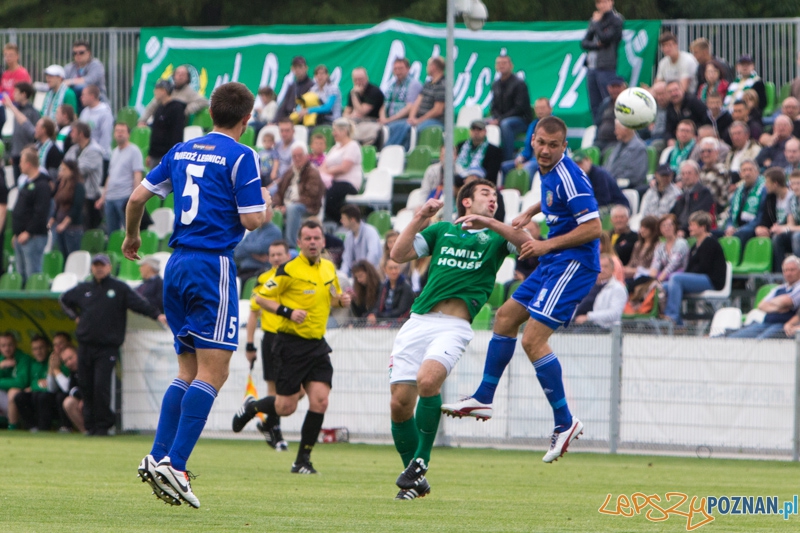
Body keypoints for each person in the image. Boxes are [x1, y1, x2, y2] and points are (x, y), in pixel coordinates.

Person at [124, 81, 268, 508]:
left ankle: (158, 455)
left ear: (210, 111)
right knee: (215, 372)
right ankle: (178, 465)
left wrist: (132, 237)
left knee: (186, 369)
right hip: (212, 265)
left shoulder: (181, 151)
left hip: (176, 265)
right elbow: (252, 219)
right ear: (248, 117)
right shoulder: (242, 155)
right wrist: (268, 208)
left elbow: (136, 198)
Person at [441, 117, 601, 467]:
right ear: (533, 140)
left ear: (564, 146)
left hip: (574, 264)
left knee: (532, 339)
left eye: (553, 145)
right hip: (555, 260)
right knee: (505, 317)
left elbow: (594, 227)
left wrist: (545, 246)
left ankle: (565, 422)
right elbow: (557, 202)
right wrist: (532, 209)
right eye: (540, 142)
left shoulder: (569, 176)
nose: (545, 150)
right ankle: (484, 397)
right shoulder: (548, 170)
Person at [386, 177, 531, 500]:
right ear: (466, 201)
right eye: (485, 194)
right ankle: (415, 478)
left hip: (454, 326)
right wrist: (421, 216)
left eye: (495, 196)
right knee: (399, 404)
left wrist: (492, 222)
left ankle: (422, 460)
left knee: (428, 382)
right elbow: (398, 253)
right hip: (419, 320)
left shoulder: (496, 235)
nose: (492, 198)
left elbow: (527, 245)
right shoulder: (441, 231)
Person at [232, 220, 351, 475]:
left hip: (317, 345)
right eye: (307, 238)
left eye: (316, 238)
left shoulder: (329, 268)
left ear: (322, 242)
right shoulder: (287, 269)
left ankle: (302, 461)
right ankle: (253, 407)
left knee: (320, 400)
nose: (312, 242)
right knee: (287, 407)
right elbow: (259, 297)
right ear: (299, 243)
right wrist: (287, 312)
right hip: (290, 344)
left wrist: (341, 301)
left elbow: (334, 301)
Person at [60, 253, 166, 436]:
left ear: (109, 267)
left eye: (102, 265)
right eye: (96, 265)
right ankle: (90, 426)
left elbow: (139, 304)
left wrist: (157, 315)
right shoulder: (84, 288)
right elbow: (64, 299)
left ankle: (103, 426)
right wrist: (74, 316)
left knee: (101, 386)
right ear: (91, 268)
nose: (99, 268)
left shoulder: (119, 288)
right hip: (85, 345)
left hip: (106, 347)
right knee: (86, 385)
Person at [244, 240, 292, 450]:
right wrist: (249, 344)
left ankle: (264, 420)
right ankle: (276, 433)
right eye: (272, 255)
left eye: (279, 254)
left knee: (297, 390)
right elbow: (254, 313)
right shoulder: (263, 279)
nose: (276, 258)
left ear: (287, 255)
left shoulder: (295, 275)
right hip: (272, 337)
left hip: (294, 337)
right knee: (273, 388)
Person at [663, 211, 727, 325]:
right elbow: (690, 267)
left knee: (676, 278)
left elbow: (704, 267)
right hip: (699, 278)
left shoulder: (710, 243)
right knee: (664, 286)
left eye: (692, 225)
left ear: (702, 227)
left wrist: (685, 276)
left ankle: (672, 317)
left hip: (711, 280)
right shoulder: (695, 245)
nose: (689, 228)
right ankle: (667, 319)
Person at [730, 256, 800, 339]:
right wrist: (778, 307)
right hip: (766, 323)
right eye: (786, 270)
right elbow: (761, 305)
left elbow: (786, 301)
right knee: (735, 337)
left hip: (782, 325)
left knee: (761, 343)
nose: (788, 273)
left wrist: (772, 303)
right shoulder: (779, 288)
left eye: (792, 270)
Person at [385, 57, 446, 150]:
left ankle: (403, 152)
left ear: (433, 67)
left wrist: (419, 120)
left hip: (436, 121)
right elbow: (417, 102)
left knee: (411, 129)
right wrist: (411, 118)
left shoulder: (443, 85)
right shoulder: (428, 83)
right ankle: (388, 150)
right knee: (397, 126)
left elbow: (437, 110)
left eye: (428, 65)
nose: (427, 68)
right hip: (420, 118)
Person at [273, 144, 325, 249]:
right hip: (287, 204)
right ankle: (272, 245)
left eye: (300, 155)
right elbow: (279, 191)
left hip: (307, 207)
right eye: (294, 156)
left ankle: (291, 245)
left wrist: (287, 207)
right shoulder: (289, 171)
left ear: (306, 156)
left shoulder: (312, 172)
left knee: (293, 209)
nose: (297, 159)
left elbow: (311, 196)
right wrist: (277, 204)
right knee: (268, 207)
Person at [96, 123, 144, 234]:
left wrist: (135, 196)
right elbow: (110, 175)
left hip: (124, 197)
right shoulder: (114, 152)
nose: (119, 133)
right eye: (117, 131)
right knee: (112, 233)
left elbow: (137, 174)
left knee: (130, 231)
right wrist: (103, 197)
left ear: (128, 134)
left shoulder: (134, 151)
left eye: (122, 131)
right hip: (110, 198)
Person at [12, 147, 51, 283]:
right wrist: (16, 234)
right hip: (20, 237)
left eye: (21, 162)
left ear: (28, 164)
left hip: (33, 237)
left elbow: (40, 213)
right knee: (20, 276)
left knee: (32, 275)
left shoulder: (42, 186)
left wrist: (28, 232)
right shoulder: (27, 183)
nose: (19, 165)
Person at [580, 0, 624, 115]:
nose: (602, 5)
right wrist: (596, 45)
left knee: (608, 101)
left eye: (605, 2)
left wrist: (597, 24)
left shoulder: (616, 20)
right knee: (595, 105)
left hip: (606, 66)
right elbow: (584, 43)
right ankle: (598, 130)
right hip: (591, 66)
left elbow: (605, 38)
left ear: (611, 2)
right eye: (599, 2)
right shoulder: (594, 20)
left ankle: (610, 128)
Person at [487, 54, 533, 161]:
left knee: (506, 125)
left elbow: (520, 108)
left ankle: (507, 159)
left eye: (504, 63)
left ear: (511, 66)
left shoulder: (519, 84)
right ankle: (488, 158)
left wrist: (499, 120)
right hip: (501, 118)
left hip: (521, 120)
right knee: (480, 124)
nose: (501, 66)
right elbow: (493, 107)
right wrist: (496, 119)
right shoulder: (495, 84)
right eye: (499, 63)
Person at [320, 118, 363, 221]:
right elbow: (324, 164)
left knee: (329, 198)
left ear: (344, 131)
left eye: (335, 131)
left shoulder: (353, 146)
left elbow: (344, 168)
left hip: (348, 183)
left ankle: (343, 222)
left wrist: (326, 172)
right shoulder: (335, 148)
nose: (333, 133)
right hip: (332, 182)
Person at [64, 121, 104, 230]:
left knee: (87, 229)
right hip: (74, 195)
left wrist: (68, 171)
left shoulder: (94, 151)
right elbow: (63, 168)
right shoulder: (74, 149)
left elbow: (79, 171)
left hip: (89, 197)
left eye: (73, 132)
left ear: (81, 134)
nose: (70, 135)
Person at [501, 97, 552, 180]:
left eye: (542, 108)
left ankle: (527, 192)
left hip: (545, 159)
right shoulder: (533, 125)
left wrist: (530, 161)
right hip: (531, 159)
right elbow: (528, 148)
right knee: (505, 167)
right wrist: (521, 157)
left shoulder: (555, 125)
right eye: (537, 108)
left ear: (550, 109)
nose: (540, 111)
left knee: (528, 167)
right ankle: (504, 191)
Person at [139, 65, 208, 124]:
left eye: (183, 74)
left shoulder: (190, 93)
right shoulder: (168, 90)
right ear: (174, 76)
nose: (180, 76)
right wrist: (142, 121)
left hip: (177, 125)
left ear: (188, 78)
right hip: (161, 122)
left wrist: (185, 110)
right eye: (178, 73)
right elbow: (152, 105)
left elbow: (204, 102)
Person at [572, 254, 627, 329]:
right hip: (576, 323)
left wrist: (588, 317)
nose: (602, 270)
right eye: (600, 266)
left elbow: (615, 313)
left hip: (601, 328)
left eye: (606, 266)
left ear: (613, 269)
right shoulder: (588, 285)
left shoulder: (618, 288)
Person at [13, 336, 55, 432]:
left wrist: (36, 386)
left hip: (51, 396)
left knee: (41, 396)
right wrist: (37, 385)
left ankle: (44, 429)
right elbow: (30, 383)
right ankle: (32, 427)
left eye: (41, 348)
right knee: (20, 396)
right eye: (35, 349)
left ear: (48, 347)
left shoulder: (53, 360)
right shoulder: (32, 363)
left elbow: (50, 386)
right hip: (36, 395)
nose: (38, 352)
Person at [721, 159, 765, 246]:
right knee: (714, 235)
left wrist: (740, 229)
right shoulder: (738, 192)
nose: (747, 173)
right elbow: (730, 214)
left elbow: (761, 215)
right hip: (737, 227)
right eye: (744, 170)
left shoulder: (763, 189)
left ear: (757, 172)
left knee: (741, 233)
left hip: (753, 226)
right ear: (740, 174)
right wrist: (729, 227)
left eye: (750, 170)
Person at [2, 81, 40, 181]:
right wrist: (12, 153)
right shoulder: (17, 110)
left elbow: (34, 134)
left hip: (27, 156)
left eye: (16, 92)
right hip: (16, 155)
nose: (13, 94)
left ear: (24, 94)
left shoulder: (33, 112)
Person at [146, 79, 187, 169]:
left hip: (166, 155)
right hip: (155, 155)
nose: (154, 91)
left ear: (164, 91)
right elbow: (154, 133)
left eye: (157, 89)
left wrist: (172, 155)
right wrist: (150, 153)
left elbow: (177, 133)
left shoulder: (176, 108)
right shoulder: (159, 108)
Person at [380, 58, 423, 142]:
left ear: (408, 69)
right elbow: (384, 104)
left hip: (403, 121)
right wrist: (383, 118)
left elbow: (410, 107)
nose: (398, 71)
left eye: (400, 68)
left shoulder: (413, 84)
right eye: (395, 69)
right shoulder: (391, 85)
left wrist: (389, 120)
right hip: (388, 120)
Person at [50, 160, 85, 257]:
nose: (61, 172)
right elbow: (57, 205)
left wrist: (64, 224)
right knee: (63, 255)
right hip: (59, 226)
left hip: (72, 228)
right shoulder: (61, 185)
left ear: (72, 171)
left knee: (72, 255)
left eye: (64, 169)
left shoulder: (78, 186)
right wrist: (52, 220)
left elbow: (76, 207)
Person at [603, 119, 649, 195]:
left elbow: (636, 176)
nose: (615, 132)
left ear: (627, 129)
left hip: (627, 188)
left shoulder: (639, 148)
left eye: (617, 129)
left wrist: (614, 181)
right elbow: (607, 167)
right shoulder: (617, 147)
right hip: (611, 185)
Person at [233, 213, 283, 281]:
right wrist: (254, 255)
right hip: (243, 270)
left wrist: (246, 248)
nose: (263, 214)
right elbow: (237, 253)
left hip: (259, 271)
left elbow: (260, 248)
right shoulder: (252, 232)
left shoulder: (274, 232)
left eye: (266, 211)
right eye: (260, 212)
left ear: (271, 214)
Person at [671, 160, 714, 236]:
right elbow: (673, 213)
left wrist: (683, 229)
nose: (686, 176)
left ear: (697, 175)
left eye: (689, 173)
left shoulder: (704, 193)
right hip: (679, 230)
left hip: (695, 231)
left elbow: (699, 216)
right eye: (683, 174)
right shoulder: (682, 195)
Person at [48, 342, 84, 433]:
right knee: (68, 401)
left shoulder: (88, 367)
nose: (69, 363)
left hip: (98, 402)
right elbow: (71, 389)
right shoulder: (73, 371)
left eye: (71, 358)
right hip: (84, 401)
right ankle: (86, 431)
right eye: (65, 361)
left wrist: (85, 398)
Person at [343, 67, 384, 145]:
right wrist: (350, 116)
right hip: (356, 121)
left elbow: (361, 111)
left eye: (361, 79)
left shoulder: (374, 91)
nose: (358, 82)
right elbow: (345, 113)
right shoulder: (352, 92)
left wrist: (354, 95)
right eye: (356, 80)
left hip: (372, 121)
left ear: (367, 78)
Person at [368, 259, 415, 326]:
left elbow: (401, 310)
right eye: (390, 268)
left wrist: (380, 316)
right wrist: (374, 314)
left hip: (399, 322)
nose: (394, 271)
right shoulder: (384, 286)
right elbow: (378, 305)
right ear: (385, 270)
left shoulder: (406, 287)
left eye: (396, 268)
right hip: (384, 319)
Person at [0, 332, 32, 430]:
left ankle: (12, 428)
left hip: (23, 400)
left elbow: (21, 383)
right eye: (3, 345)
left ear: (15, 345)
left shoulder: (24, 358)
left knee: (13, 392)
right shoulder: (1, 360)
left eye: (10, 345)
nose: (7, 348)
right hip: (4, 401)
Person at [340, 204, 382, 275]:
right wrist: (342, 275)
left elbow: (373, 255)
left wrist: (363, 272)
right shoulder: (348, 237)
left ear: (352, 219)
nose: (341, 221)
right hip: (356, 276)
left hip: (372, 275)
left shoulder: (370, 232)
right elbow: (346, 260)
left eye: (343, 219)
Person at [649, 213, 690, 284]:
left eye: (670, 225)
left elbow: (673, 264)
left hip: (678, 275)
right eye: (663, 226)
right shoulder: (660, 246)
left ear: (675, 227)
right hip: (662, 275)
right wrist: (650, 278)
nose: (667, 228)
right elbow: (655, 263)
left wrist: (659, 279)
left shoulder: (681, 243)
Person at [771, 170, 800, 268]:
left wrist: (786, 228)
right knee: (777, 237)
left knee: (796, 237)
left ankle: (797, 272)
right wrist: (779, 227)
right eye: (793, 183)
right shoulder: (792, 199)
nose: (795, 187)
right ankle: (780, 275)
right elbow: (790, 224)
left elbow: (791, 228)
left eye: (798, 183)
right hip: (796, 231)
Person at [622, 215, 660, 288]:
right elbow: (631, 263)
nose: (642, 230)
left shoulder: (658, 246)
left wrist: (634, 270)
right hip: (631, 275)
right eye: (641, 227)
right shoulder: (638, 245)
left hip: (645, 277)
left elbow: (653, 268)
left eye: (646, 228)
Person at [78, 84, 114, 161]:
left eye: (84, 95)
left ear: (92, 96)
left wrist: (100, 155)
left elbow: (106, 136)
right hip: (85, 155)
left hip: (100, 156)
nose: (81, 98)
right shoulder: (84, 112)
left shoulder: (105, 113)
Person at [593, 77, 627, 151]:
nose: (615, 90)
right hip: (601, 141)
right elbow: (598, 124)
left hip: (616, 142)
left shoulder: (628, 104)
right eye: (613, 87)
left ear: (624, 88)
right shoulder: (605, 104)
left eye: (618, 87)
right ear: (608, 88)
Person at [697, 137, 730, 214]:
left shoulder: (721, 171)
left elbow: (720, 198)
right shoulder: (700, 171)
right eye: (702, 151)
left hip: (716, 211)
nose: (705, 154)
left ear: (717, 152)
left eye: (709, 151)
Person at [276, 56, 314, 121]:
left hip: (303, 119)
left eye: (300, 67)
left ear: (306, 68)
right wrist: (275, 121)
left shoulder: (312, 86)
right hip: (289, 118)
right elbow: (284, 106)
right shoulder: (292, 86)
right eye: (295, 67)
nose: (298, 70)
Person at [34, 117, 64, 181]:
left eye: (37, 126)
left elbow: (53, 174)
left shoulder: (53, 149)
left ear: (44, 130)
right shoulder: (36, 147)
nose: (35, 129)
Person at [270, 118, 296, 191]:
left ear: (293, 131)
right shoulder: (277, 144)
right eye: (282, 131)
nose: (284, 134)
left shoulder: (296, 148)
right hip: (273, 179)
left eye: (287, 131)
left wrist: (270, 186)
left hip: (286, 182)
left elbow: (291, 173)